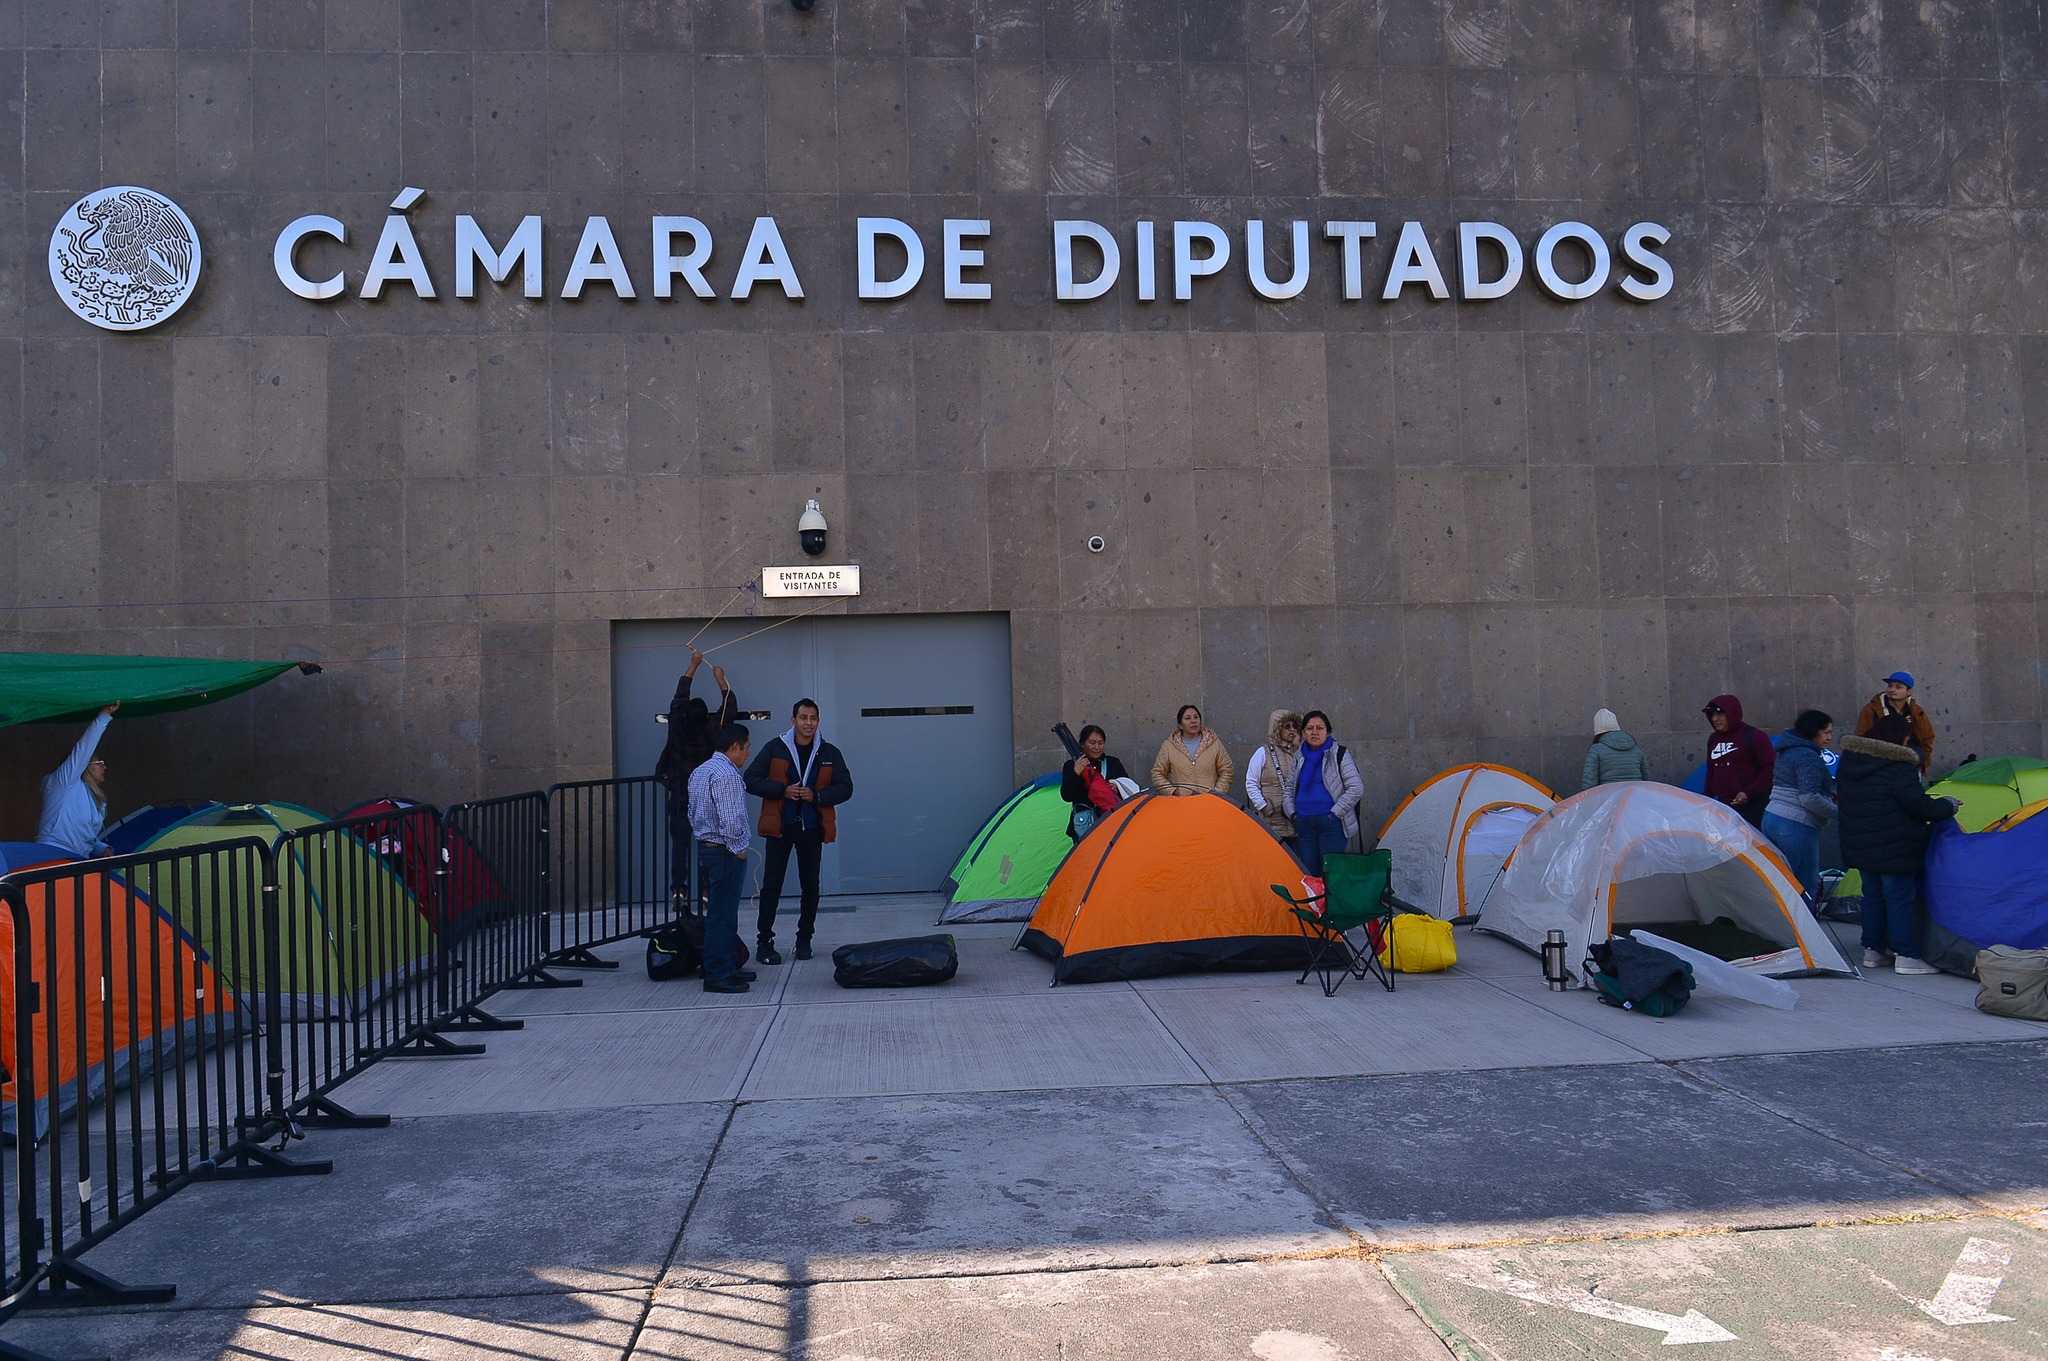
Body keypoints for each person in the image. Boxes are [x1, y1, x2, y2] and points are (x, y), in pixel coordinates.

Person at [1836, 727, 1959, 975]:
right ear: (1896, 741)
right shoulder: (1899, 767)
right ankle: (1906, 956)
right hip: (1895, 846)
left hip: (1862, 845)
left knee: (1872, 897)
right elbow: (1920, 805)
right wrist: (1948, 805)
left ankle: (1873, 950)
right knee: (1899, 899)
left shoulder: (1850, 765)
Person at [744, 698, 853, 964]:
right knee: (771, 886)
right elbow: (750, 779)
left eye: (813, 718)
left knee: (810, 888)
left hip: (811, 828)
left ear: (818, 721)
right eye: (803, 718)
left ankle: (804, 940)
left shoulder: (828, 752)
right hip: (780, 827)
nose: (808, 723)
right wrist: (782, 791)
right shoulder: (775, 748)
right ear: (793, 720)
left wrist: (816, 795)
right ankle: (765, 942)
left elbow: (846, 787)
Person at [653, 650, 737, 914]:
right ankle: (705, 891)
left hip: (679, 790)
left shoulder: (677, 725)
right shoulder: (713, 729)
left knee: (680, 844)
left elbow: (679, 698)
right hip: (706, 796)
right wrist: (721, 680)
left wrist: (693, 665)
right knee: (707, 842)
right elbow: (729, 710)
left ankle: (678, 888)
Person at [687, 723, 759, 994]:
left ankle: (725, 966)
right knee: (722, 914)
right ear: (735, 747)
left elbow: (692, 811)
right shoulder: (727, 774)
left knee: (720, 912)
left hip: (707, 847)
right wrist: (737, 846)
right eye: (747, 747)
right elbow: (731, 819)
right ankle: (717, 973)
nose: (749, 753)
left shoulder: (700, 770)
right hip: (724, 850)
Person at [1761, 710, 1836, 900]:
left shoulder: (1787, 750)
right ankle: (1803, 930)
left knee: (1783, 884)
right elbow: (1809, 797)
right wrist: (1839, 812)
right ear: (1814, 731)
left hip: (1772, 818)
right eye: (1826, 732)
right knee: (1805, 884)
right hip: (1795, 825)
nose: (1830, 737)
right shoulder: (1807, 755)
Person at [1281, 711, 1364, 878]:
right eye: (1309, 728)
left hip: (1331, 824)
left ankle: (1332, 905)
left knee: (1332, 874)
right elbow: (1289, 788)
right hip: (1304, 823)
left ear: (1328, 732)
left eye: (1320, 728)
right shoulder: (1300, 756)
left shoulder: (1339, 754)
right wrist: (1293, 814)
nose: (1314, 732)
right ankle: (1315, 905)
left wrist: (1334, 814)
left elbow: (1356, 788)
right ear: (1303, 732)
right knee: (1310, 874)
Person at [38, 702, 119, 858]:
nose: (104, 767)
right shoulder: (64, 782)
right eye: (99, 763)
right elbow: (84, 749)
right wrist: (104, 716)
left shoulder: (94, 797)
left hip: (77, 860)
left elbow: (82, 835)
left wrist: (101, 848)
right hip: (51, 854)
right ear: (85, 765)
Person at [1702, 694, 1774, 829]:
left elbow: (1770, 768)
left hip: (1754, 808)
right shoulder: (1713, 739)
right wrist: (1707, 798)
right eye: (1712, 715)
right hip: (1723, 808)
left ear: (1732, 713)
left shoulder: (1755, 736)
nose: (1715, 719)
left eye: (1720, 714)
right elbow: (1711, 771)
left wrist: (1749, 792)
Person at [1855, 671, 1936, 778]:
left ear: (1909, 691)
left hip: (1911, 765)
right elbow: (1861, 738)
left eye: (1898, 687)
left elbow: (1927, 738)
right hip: (1881, 767)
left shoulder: (1917, 712)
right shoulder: (1871, 710)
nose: (1892, 689)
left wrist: (1923, 762)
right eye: (1890, 686)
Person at [1059, 725, 1129, 841]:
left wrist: (1117, 786)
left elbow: (1128, 786)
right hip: (1084, 826)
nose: (1097, 747)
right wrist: (1076, 773)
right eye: (1092, 743)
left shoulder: (1113, 763)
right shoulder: (1071, 765)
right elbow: (1066, 795)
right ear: (1082, 744)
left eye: (1100, 743)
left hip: (1111, 822)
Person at [1245, 710, 1303, 849]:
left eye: (1295, 726)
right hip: (1273, 821)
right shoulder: (1262, 752)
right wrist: (1263, 806)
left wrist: (1300, 746)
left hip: (1297, 821)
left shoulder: (1300, 752)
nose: (1292, 730)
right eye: (1287, 726)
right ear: (1277, 728)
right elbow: (1251, 782)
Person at [1150, 704, 1233, 797]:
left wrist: (1217, 793)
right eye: (1188, 718)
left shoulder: (1213, 743)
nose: (1193, 721)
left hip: (1210, 802)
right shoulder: (1169, 746)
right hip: (1182, 803)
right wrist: (1173, 792)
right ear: (1180, 725)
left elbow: (1227, 770)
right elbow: (1157, 773)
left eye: (1196, 717)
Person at [1579, 708, 1650, 790]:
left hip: (1608, 796)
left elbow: (1589, 781)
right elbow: (1646, 779)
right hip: (1634, 796)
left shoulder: (1595, 750)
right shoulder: (1636, 749)